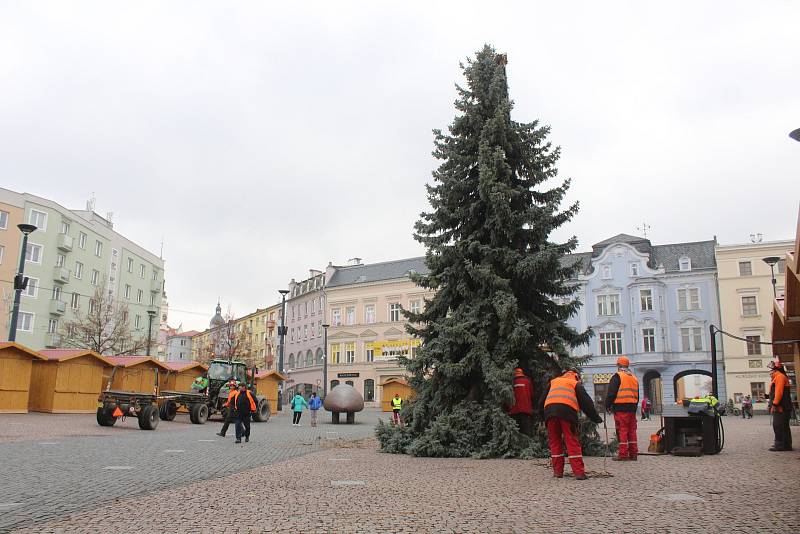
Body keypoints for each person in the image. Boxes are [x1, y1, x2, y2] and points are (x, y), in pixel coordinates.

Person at [539, 368, 603, 480]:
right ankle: (579, 473)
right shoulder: (575, 384)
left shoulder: (554, 382)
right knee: (571, 441)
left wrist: (541, 417)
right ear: (576, 376)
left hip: (549, 413)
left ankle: (558, 472)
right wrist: (596, 418)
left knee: (555, 442)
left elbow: (541, 401)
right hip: (567, 413)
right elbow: (587, 404)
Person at [606, 356, 640, 461]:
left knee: (622, 430)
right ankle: (633, 454)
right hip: (632, 408)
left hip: (621, 407)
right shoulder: (634, 378)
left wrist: (607, 405)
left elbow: (611, 393)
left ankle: (623, 454)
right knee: (632, 430)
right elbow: (637, 395)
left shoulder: (617, 376)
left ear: (618, 365)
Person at [767, 360, 793, 451]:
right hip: (782, 406)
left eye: (771, 370)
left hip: (781, 407)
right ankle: (786, 444)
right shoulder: (778, 377)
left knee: (778, 425)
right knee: (784, 426)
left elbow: (779, 392)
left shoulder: (779, 377)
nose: (770, 372)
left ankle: (780, 445)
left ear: (775, 369)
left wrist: (774, 404)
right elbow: (775, 392)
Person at [508, 368, 535, 436]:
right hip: (526, 410)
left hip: (514, 410)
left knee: (516, 431)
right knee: (526, 431)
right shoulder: (527, 381)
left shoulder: (511, 382)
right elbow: (532, 394)